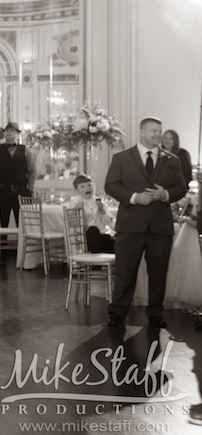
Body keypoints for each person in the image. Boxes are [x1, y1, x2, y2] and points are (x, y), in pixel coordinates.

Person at [105, 116, 187, 328]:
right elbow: (111, 186)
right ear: (141, 132)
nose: (158, 135)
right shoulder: (122, 158)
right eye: (154, 131)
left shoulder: (172, 160)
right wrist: (134, 197)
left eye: (160, 131)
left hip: (160, 227)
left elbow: (182, 188)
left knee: (158, 273)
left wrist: (165, 194)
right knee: (125, 271)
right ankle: (117, 312)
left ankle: (155, 314)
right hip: (130, 225)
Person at [0, 122, 36, 227]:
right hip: (2, 192)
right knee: (1, 223)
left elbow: (32, 171)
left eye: (12, 130)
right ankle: (1, 244)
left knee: (23, 225)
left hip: (21, 192)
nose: (8, 133)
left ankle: (23, 244)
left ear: (18, 134)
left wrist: (30, 188)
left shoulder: (25, 150)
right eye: (6, 131)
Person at [67, 174, 115, 254]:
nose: (87, 188)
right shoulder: (74, 201)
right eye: (82, 187)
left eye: (89, 185)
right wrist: (77, 210)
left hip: (101, 235)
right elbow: (73, 223)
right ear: (76, 190)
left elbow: (110, 224)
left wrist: (101, 210)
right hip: (84, 238)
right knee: (93, 230)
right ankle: (95, 265)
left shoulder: (98, 201)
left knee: (118, 244)